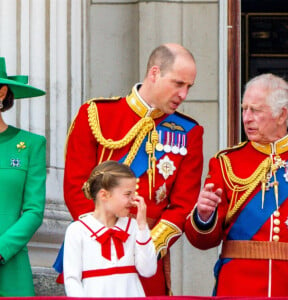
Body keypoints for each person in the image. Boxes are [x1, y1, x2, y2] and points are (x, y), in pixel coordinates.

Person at [62, 43, 204, 295]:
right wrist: (101, 236)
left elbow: (183, 205)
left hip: (145, 257)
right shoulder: (95, 115)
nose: (184, 94)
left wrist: (144, 245)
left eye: (189, 87)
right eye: (178, 83)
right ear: (154, 73)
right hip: (96, 254)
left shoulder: (189, 132)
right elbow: (76, 187)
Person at [184, 73, 288, 297]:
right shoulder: (226, 163)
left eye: (255, 110)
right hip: (237, 287)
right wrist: (204, 215)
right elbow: (201, 240)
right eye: (244, 109)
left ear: (281, 115)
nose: (246, 118)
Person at [63, 160, 157, 297]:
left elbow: (148, 270)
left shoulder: (134, 227)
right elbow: (72, 280)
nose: (133, 200)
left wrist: (143, 227)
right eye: (127, 194)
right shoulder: (77, 230)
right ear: (104, 195)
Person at [0, 57, 46, 296]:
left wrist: (1, 249)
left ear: (2, 92)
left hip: (10, 265)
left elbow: (34, 210)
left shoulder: (30, 144)